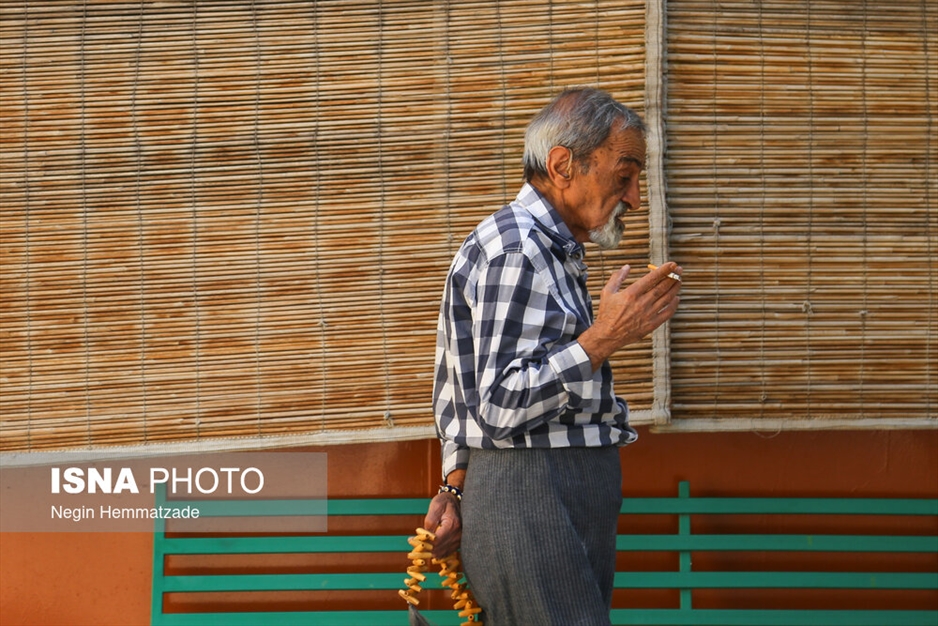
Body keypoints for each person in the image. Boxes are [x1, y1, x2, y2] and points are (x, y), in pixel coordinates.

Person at [423, 87, 682, 625]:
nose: (634, 197)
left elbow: (464, 385)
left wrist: (453, 486)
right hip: (531, 490)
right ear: (563, 165)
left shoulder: (545, 246)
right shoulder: (518, 249)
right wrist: (603, 337)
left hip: (547, 487)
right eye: (624, 174)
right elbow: (497, 404)